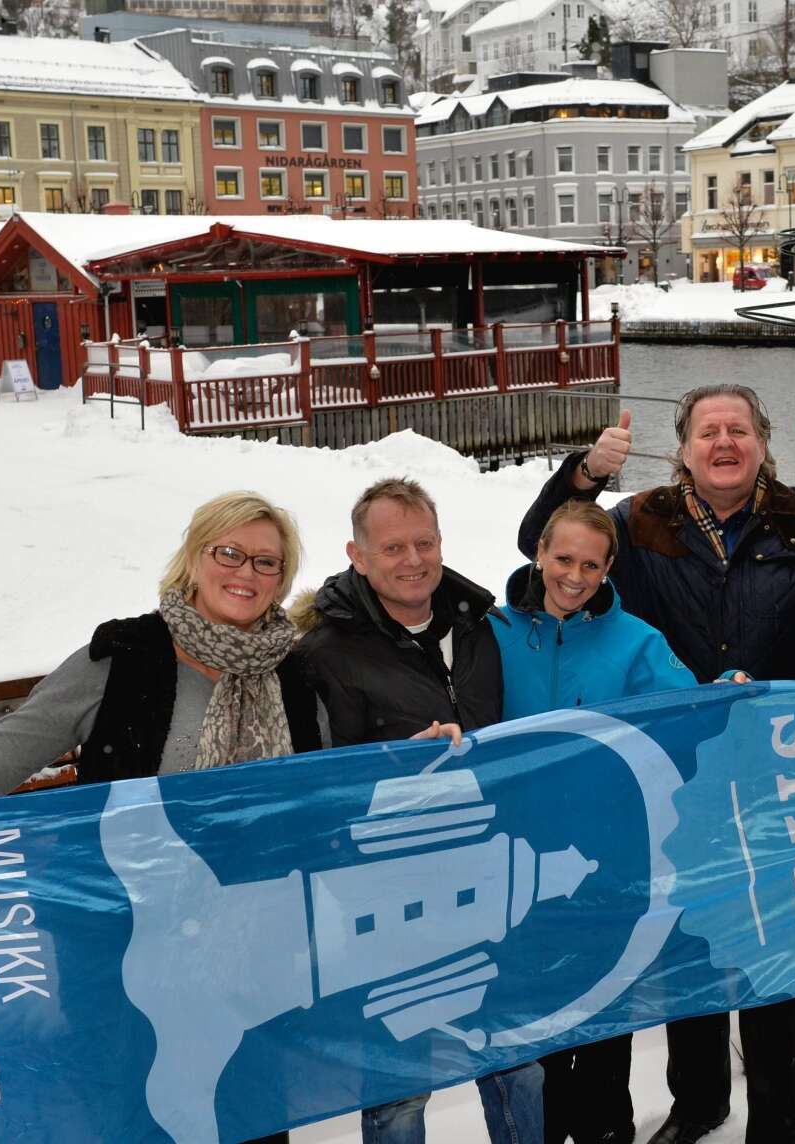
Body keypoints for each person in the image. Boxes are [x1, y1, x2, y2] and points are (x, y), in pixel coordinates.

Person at [517, 385, 795, 1144]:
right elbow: (543, 544)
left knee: (772, 949)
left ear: (763, 442)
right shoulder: (638, 522)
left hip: (783, 767)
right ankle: (699, 1104)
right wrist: (585, 475)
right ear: (684, 448)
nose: (723, 442)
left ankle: (778, 1124)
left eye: (738, 429)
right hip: (679, 771)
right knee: (688, 939)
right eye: (707, 431)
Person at [0, 489, 320, 1144]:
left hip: (250, 960)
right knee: (137, 1122)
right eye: (229, 553)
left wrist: (421, 762)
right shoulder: (124, 659)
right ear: (194, 558)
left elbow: (331, 791)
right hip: (124, 958)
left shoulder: (295, 676)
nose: (245, 573)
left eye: (266, 562)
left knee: (250, 1122)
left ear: (282, 579)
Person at [294, 476, 542, 1144]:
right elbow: (318, 784)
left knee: (518, 1064)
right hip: (387, 894)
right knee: (400, 1088)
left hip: (484, 874)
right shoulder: (326, 653)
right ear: (357, 556)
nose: (413, 560)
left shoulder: (479, 626)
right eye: (393, 547)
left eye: (424, 543)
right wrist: (397, 769)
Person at [491, 500, 695, 1144]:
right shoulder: (491, 631)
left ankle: (607, 1131)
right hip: (514, 862)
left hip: (608, 860)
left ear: (609, 569)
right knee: (537, 1024)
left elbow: (686, 715)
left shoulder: (636, 640)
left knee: (606, 1017)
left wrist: (730, 687)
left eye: (591, 565)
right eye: (563, 559)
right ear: (539, 552)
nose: (574, 577)